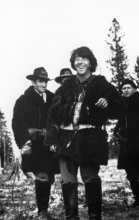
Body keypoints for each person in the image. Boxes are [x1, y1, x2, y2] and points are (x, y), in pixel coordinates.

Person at [46, 46, 125, 220]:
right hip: (67, 139)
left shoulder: (102, 84)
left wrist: (108, 103)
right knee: (67, 181)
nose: (80, 62)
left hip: (91, 139)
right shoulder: (66, 86)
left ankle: (95, 217)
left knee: (90, 177)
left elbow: (120, 108)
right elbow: (53, 113)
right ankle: (71, 217)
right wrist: (52, 138)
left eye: (84, 58)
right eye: (76, 59)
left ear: (91, 62)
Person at [12, 67, 59, 220]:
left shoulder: (53, 99)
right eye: (40, 81)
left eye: (45, 82)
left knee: (50, 177)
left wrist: (55, 139)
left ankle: (44, 209)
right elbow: (17, 124)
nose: (43, 85)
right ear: (33, 82)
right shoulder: (23, 100)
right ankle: (42, 213)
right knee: (42, 177)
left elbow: (58, 120)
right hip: (35, 145)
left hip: (49, 145)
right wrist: (24, 142)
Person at [116, 79, 139, 209]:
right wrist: (117, 132)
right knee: (131, 173)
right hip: (126, 144)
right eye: (123, 88)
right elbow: (120, 122)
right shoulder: (122, 105)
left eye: (128, 87)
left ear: (135, 89)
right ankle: (138, 199)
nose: (126, 90)